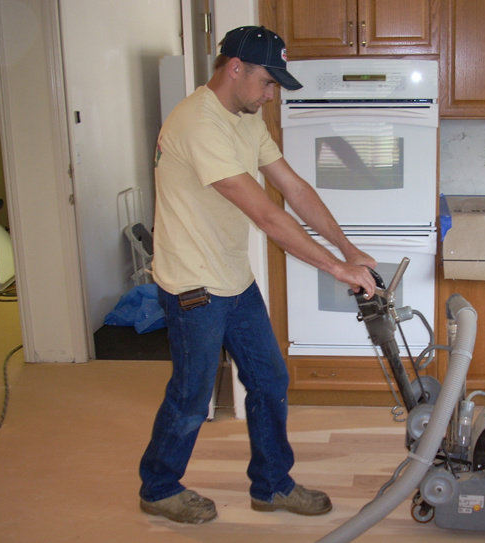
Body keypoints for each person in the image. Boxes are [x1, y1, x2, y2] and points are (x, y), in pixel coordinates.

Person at [138, 26, 377, 524]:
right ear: (236, 68)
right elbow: (267, 216)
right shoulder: (198, 124)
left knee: (269, 380)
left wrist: (349, 248)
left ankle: (271, 486)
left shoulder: (246, 117)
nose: (272, 95)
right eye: (268, 82)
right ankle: (158, 488)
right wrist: (336, 268)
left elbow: (294, 189)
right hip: (193, 286)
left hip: (232, 275)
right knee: (192, 396)